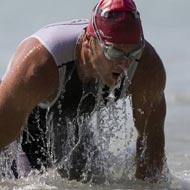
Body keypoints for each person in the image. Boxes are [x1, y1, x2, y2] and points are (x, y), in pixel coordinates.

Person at [0, 0, 166, 183]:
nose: (125, 64)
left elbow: (151, 143)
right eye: (114, 53)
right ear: (89, 42)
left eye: (133, 53)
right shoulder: (38, 67)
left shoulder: (147, 69)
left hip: (71, 125)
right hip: (21, 128)